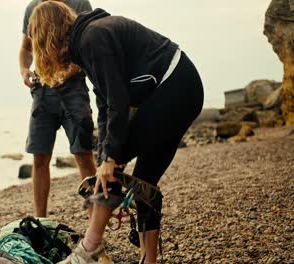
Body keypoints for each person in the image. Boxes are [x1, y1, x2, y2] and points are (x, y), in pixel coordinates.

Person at [28, 2, 204, 263]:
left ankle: (90, 248)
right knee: (144, 181)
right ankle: (149, 260)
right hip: (182, 89)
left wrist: (110, 159)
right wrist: (103, 157)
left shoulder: (92, 38)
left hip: (175, 87)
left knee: (116, 162)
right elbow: (105, 107)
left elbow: (118, 103)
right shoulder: (87, 41)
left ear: (47, 36)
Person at [19, 0, 97, 218]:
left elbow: (87, 46)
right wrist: (25, 70)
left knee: (83, 154)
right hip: (43, 90)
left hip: (74, 89)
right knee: (39, 157)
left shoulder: (80, 3)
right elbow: (26, 47)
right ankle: (41, 221)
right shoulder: (32, 8)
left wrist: (66, 73)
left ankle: (95, 222)